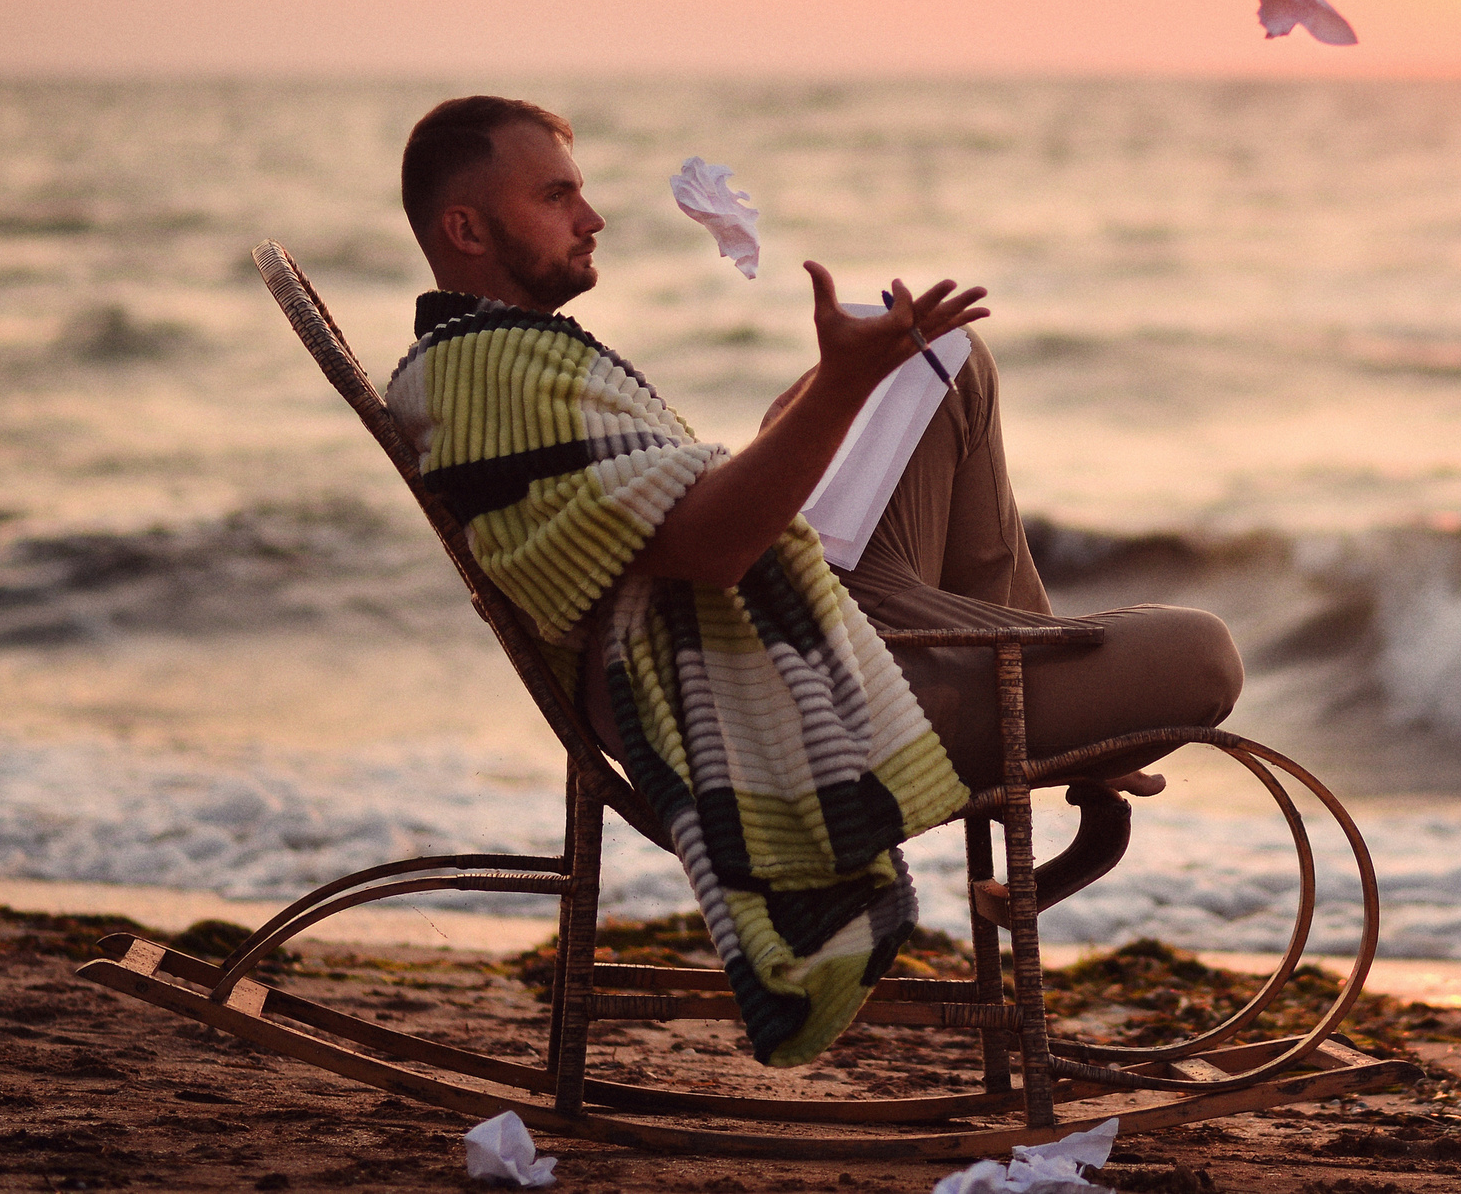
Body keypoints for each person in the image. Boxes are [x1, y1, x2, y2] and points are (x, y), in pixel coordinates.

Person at [382, 95, 1241, 1061]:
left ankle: (1052, 726)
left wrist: (830, 392)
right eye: (556, 196)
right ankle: (1057, 733)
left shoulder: (496, 362)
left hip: (773, 619)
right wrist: (835, 387)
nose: (592, 217)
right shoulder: (484, 377)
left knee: (941, 350)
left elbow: (667, 515)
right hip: (773, 684)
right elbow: (708, 549)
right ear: (465, 226)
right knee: (1204, 655)